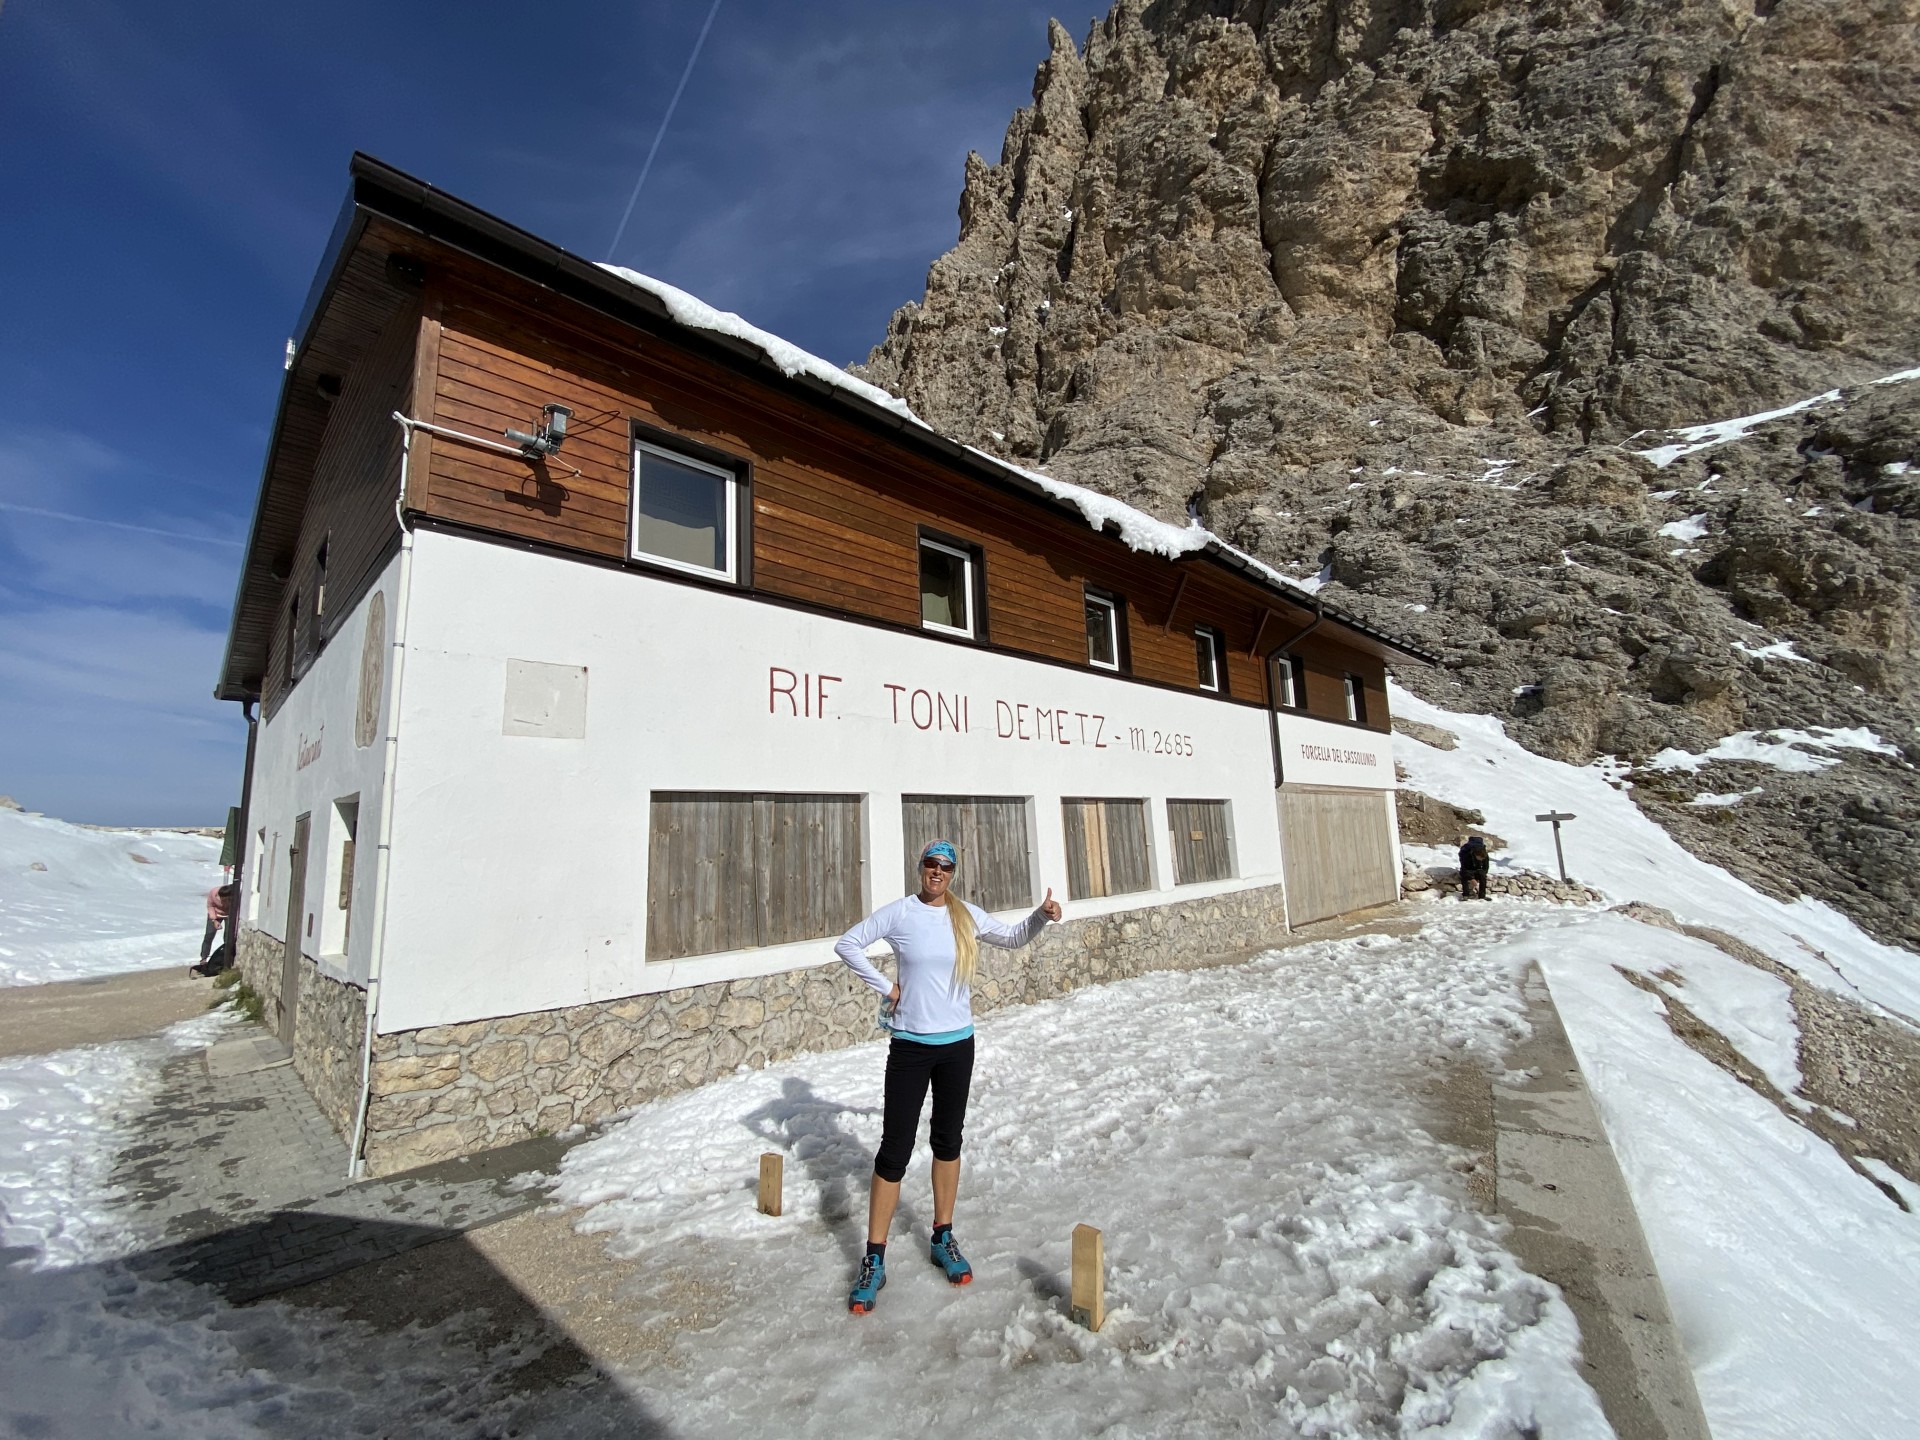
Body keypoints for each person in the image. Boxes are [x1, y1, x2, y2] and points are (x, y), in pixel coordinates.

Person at [833, 840, 1062, 1314]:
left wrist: (1041, 915)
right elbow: (847, 944)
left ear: (953, 874)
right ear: (920, 869)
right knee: (894, 1150)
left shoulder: (966, 914)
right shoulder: (900, 914)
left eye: (946, 867)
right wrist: (888, 986)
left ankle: (943, 1236)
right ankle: (874, 1259)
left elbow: (1015, 936)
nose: (937, 872)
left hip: (957, 1045)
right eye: (931, 865)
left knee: (947, 1141)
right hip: (910, 1047)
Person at [195, 883, 236, 975]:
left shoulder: (235, 895)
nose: (224, 902)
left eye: (227, 900)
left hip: (229, 914)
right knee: (209, 936)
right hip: (215, 914)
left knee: (228, 936)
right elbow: (210, 906)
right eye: (222, 899)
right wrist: (214, 920)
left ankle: (227, 958)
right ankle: (203, 958)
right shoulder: (213, 893)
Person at [1458, 835, 1490, 901]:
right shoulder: (1466, 854)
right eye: (1480, 858)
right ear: (1476, 855)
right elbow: (1464, 868)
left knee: (1483, 875)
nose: (1481, 860)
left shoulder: (1485, 854)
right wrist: (1471, 878)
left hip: (1477, 869)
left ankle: (1482, 896)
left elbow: (1485, 867)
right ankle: (1466, 895)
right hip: (1467, 869)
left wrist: (1482, 874)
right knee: (1464, 877)